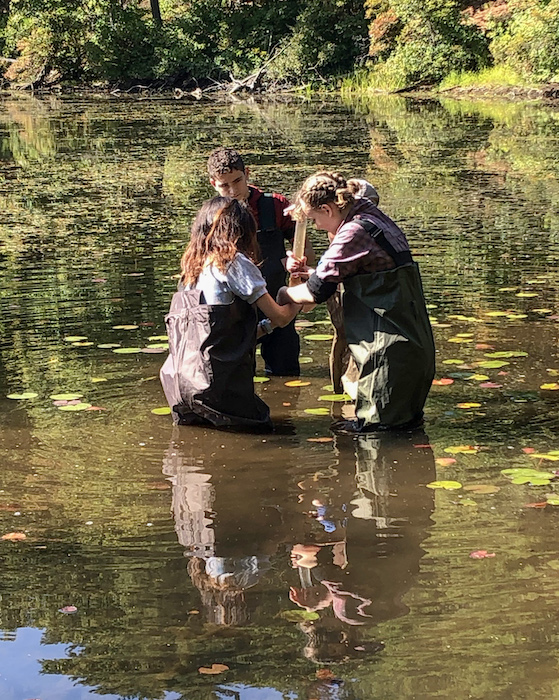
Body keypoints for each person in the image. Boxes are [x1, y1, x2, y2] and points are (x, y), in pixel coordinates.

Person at [278, 171, 435, 434]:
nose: (315, 226)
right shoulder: (370, 214)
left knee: (378, 443)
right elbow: (361, 269)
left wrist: (284, 293)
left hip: (388, 354)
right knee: (405, 430)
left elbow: (315, 292)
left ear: (328, 209)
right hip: (413, 347)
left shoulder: (352, 232)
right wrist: (316, 272)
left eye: (315, 219)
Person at [159, 196, 301, 431]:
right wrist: (292, 293)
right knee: (263, 437)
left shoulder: (190, 271)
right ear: (242, 230)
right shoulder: (232, 262)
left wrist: (264, 327)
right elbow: (282, 317)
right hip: (218, 385)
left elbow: (217, 339)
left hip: (180, 385)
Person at [207, 147, 315, 376]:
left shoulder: (275, 205)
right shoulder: (212, 215)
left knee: (285, 374)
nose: (233, 190)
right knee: (234, 377)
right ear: (213, 184)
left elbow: (303, 243)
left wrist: (298, 264)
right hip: (234, 310)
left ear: (247, 173)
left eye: (237, 181)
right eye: (224, 185)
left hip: (274, 300)